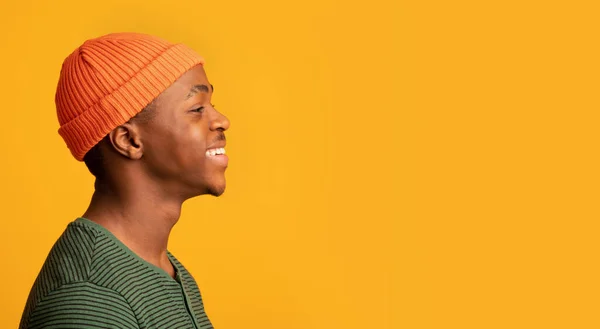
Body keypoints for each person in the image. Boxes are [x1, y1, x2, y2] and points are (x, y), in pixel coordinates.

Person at [19, 32, 229, 329]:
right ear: (129, 140)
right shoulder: (88, 298)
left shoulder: (165, 271)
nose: (222, 120)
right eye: (197, 108)